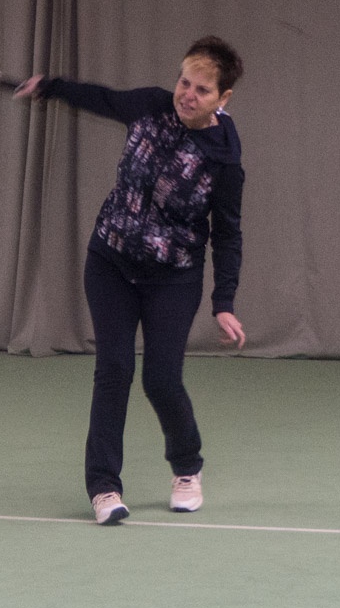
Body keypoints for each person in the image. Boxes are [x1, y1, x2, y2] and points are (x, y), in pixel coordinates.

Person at [14, 37, 246, 525]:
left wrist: (223, 301)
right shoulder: (149, 107)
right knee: (114, 369)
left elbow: (226, 233)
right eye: (184, 82)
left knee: (161, 379)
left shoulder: (224, 158)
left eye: (202, 90)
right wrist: (50, 86)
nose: (187, 94)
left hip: (174, 277)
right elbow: (101, 98)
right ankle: (104, 488)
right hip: (111, 262)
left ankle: (187, 467)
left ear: (223, 98)